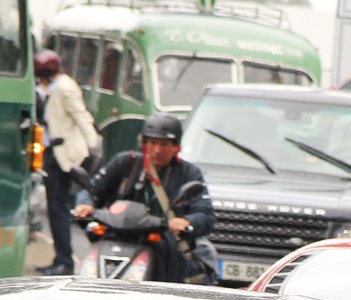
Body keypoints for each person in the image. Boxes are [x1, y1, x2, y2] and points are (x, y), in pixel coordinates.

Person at [73, 113, 216, 284]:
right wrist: (85, 204)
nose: (157, 150)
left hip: (161, 242)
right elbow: (92, 190)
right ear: (144, 143)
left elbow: (205, 213)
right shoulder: (125, 163)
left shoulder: (189, 173)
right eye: (152, 143)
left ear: (176, 148)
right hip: (117, 236)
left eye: (164, 144)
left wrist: (186, 222)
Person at [35, 49, 99, 275]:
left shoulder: (65, 87)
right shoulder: (53, 87)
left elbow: (82, 116)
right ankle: (60, 259)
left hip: (64, 157)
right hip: (53, 153)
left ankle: (65, 262)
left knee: (58, 208)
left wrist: (93, 144)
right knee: (55, 208)